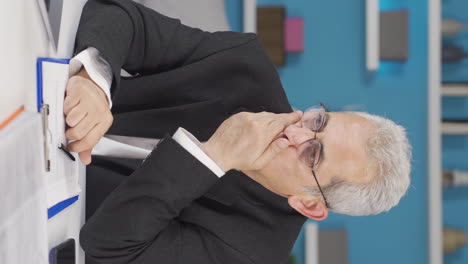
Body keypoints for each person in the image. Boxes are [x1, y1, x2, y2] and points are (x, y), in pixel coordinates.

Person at [65, 0, 412, 263]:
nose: (296, 134)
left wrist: (214, 156)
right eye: (318, 122)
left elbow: (108, 247)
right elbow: (125, 21)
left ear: (310, 204)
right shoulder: (245, 68)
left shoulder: (252, 253)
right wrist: (95, 81)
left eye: (313, 153)